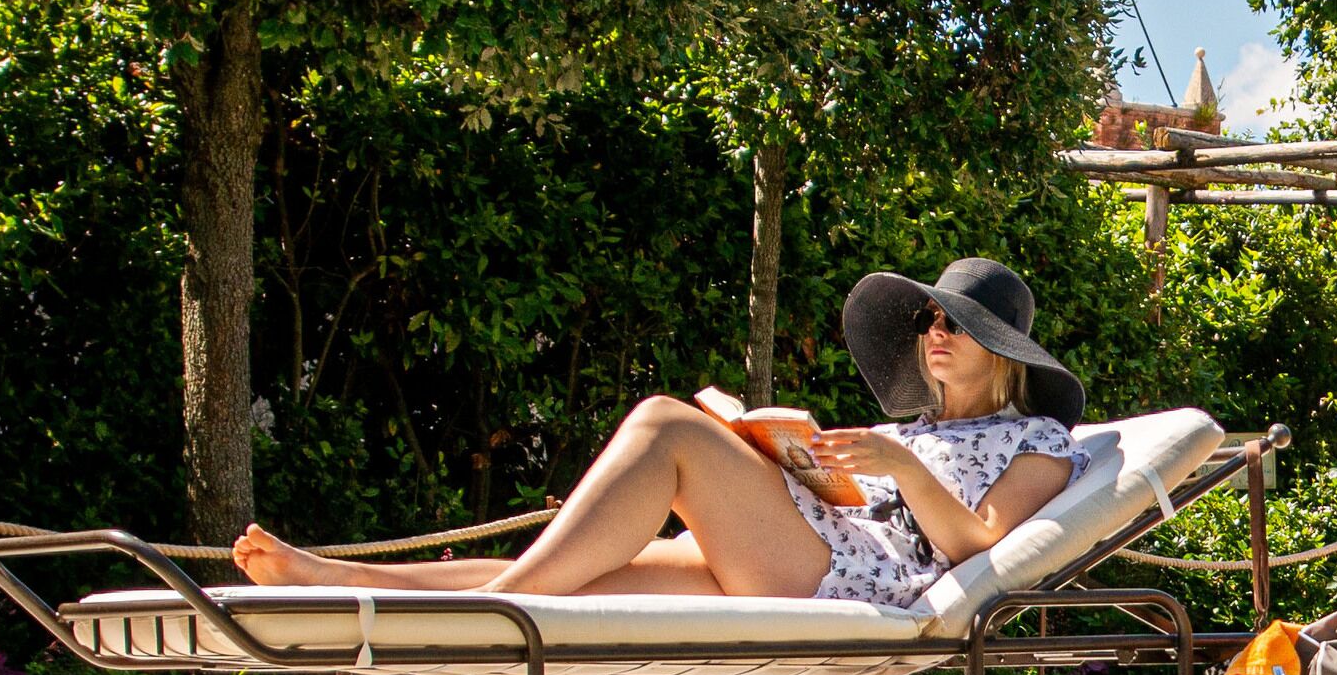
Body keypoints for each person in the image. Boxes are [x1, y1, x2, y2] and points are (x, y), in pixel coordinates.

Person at [229, 258, 1083, 605]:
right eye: (931, 316)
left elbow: (984, 547)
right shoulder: (929, 429)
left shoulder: (1038, 440)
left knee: (668, 426)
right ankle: (334, 579)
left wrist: (902, 464)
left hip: (861, 578)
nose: (934, 330)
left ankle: (493, 613)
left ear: (1002, 353)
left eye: (957, 324)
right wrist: (789, 456)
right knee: (587, 575)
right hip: (822, 537)